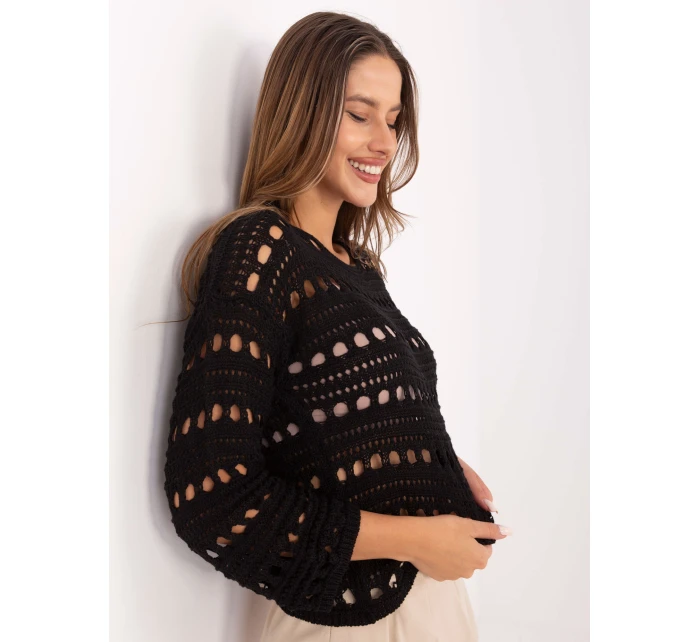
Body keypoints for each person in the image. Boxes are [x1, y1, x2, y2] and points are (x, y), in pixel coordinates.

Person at [163, 11, 511, 641]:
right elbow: (213, 497)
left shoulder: (356, 266)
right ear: (303, 112)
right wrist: (418, 538)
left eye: (393, 120)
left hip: (431, 604)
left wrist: (430, 464)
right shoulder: (260, 251)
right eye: (359, 114)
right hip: (347, 618)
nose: (385, 142)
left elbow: (322, 424)